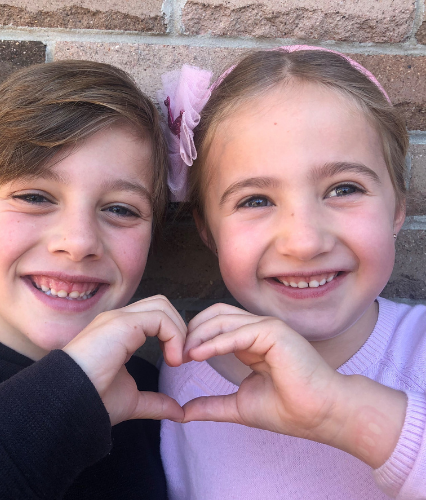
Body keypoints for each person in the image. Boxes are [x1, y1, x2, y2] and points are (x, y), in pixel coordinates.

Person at [158, 47, 426, 499]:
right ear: (207, 229)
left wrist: (344, 416)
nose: (305, 242)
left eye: (344, 189)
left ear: (398, 208)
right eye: (256, 200)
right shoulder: (184, 381)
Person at [0, 60, 187, 499]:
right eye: (34, 197)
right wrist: (68, 395)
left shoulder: (165, 401)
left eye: (121, 209)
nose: (79, 241)